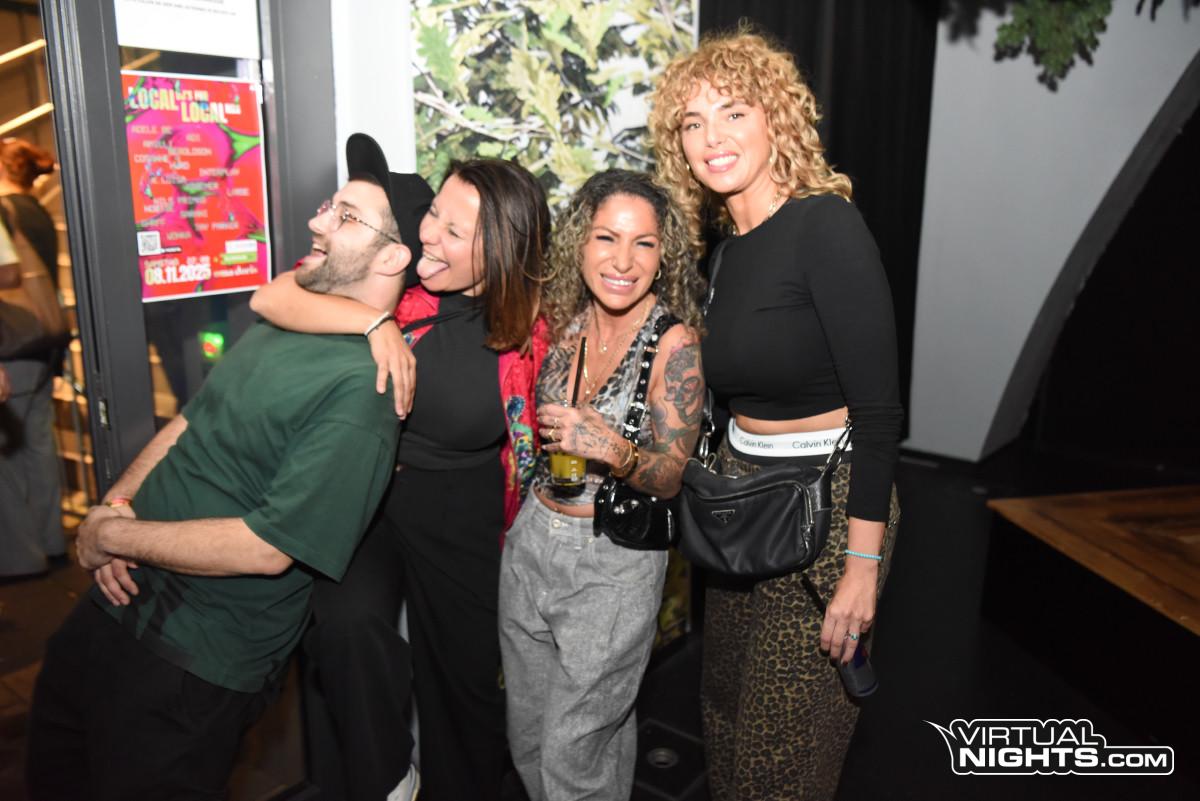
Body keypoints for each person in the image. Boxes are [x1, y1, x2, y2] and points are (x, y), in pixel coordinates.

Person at [26, 132, 427, 800]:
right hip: (110, 612)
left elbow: (268, 548)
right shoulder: (296, 314)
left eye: (345, 216)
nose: (317, 222)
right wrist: (115, 507)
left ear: (392, 255)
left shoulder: (365, 389)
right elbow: (193, 419)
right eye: (328, 206)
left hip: (191, 660)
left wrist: (114, 536)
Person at [650, 32, 903, 800]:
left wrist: (861, 566)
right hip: (743, 506)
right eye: (693, 122)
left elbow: (880, 412)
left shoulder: (825, 226)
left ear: (776, 120)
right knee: (725, 722)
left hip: (828, 507)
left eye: (733, 112)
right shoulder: (727, 254)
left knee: (779, 761)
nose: (713, 137)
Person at [249, 158, 550, 801]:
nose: (428, 235)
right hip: (370, 498)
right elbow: (272, 296)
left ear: (500, 253)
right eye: (433, 213)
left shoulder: (529, 329)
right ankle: (387, 781)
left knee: (464, 685)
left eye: (454, 231)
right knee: (347, 631)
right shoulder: (395, 284)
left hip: (462, 510)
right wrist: (373, 322)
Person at [499, 169, 705, 801]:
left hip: (611, 565)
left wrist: (612, 448)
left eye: (643, 243)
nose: (623, 261)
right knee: (529, 738)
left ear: (663, 254)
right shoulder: (564, 319)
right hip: (532, 541)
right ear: (579, 243)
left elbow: (670, 477)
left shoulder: (674, 344)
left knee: (574, 752)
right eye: (606, 238)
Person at [0, 137, 66, 578]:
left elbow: (8, 275)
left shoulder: (4, 209)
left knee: (7, 458)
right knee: (39, 445)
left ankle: (21, 559)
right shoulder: (36, 209)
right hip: (42, 340)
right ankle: (52, 541)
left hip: (11, 343)